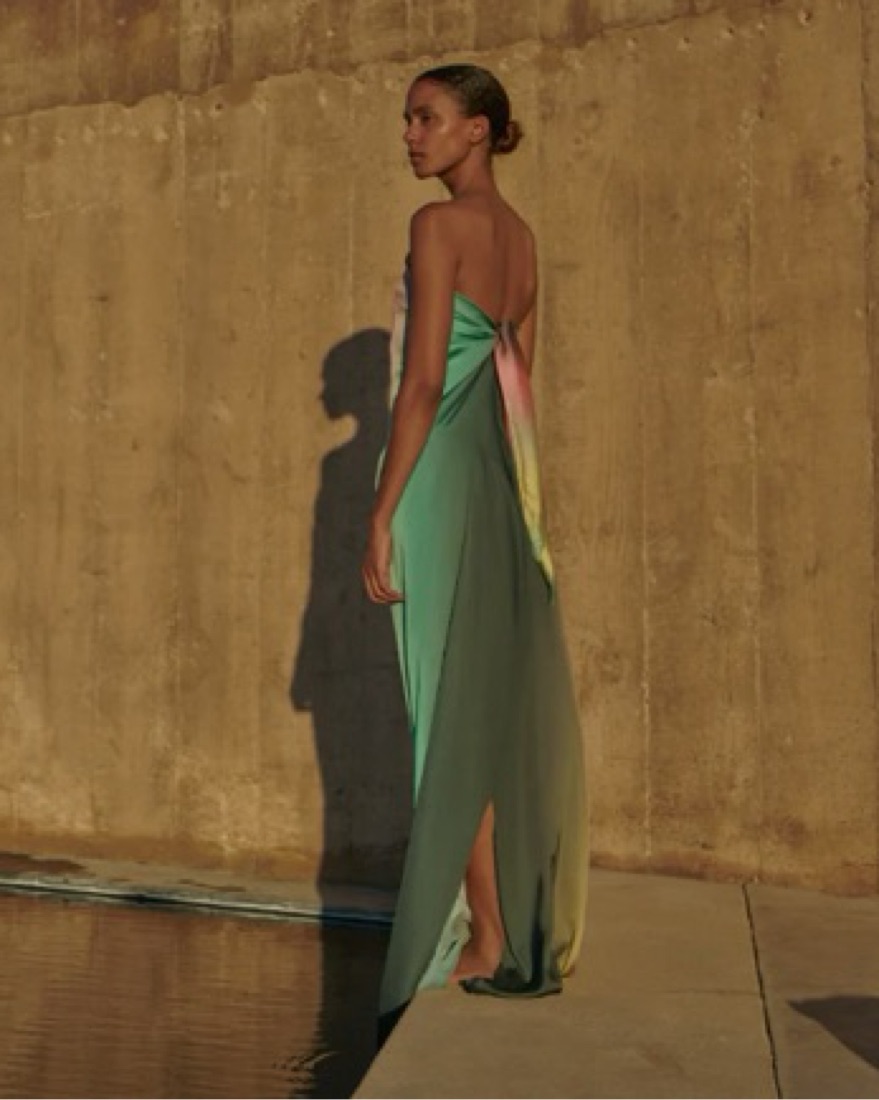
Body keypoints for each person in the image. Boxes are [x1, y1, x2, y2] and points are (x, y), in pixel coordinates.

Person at [362, 63, 587, 1030]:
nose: (410, 135)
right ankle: (501, 927)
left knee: (444, 719)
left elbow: (420, 384)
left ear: (478, 130)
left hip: (436, 480)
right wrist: (526, 519)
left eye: (428, 118)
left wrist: (381, 511)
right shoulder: (522, 242)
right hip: (499, 481)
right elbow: (517, 389)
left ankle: (487, 937)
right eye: (408, 119)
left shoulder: (437, 226)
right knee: (486, 714)